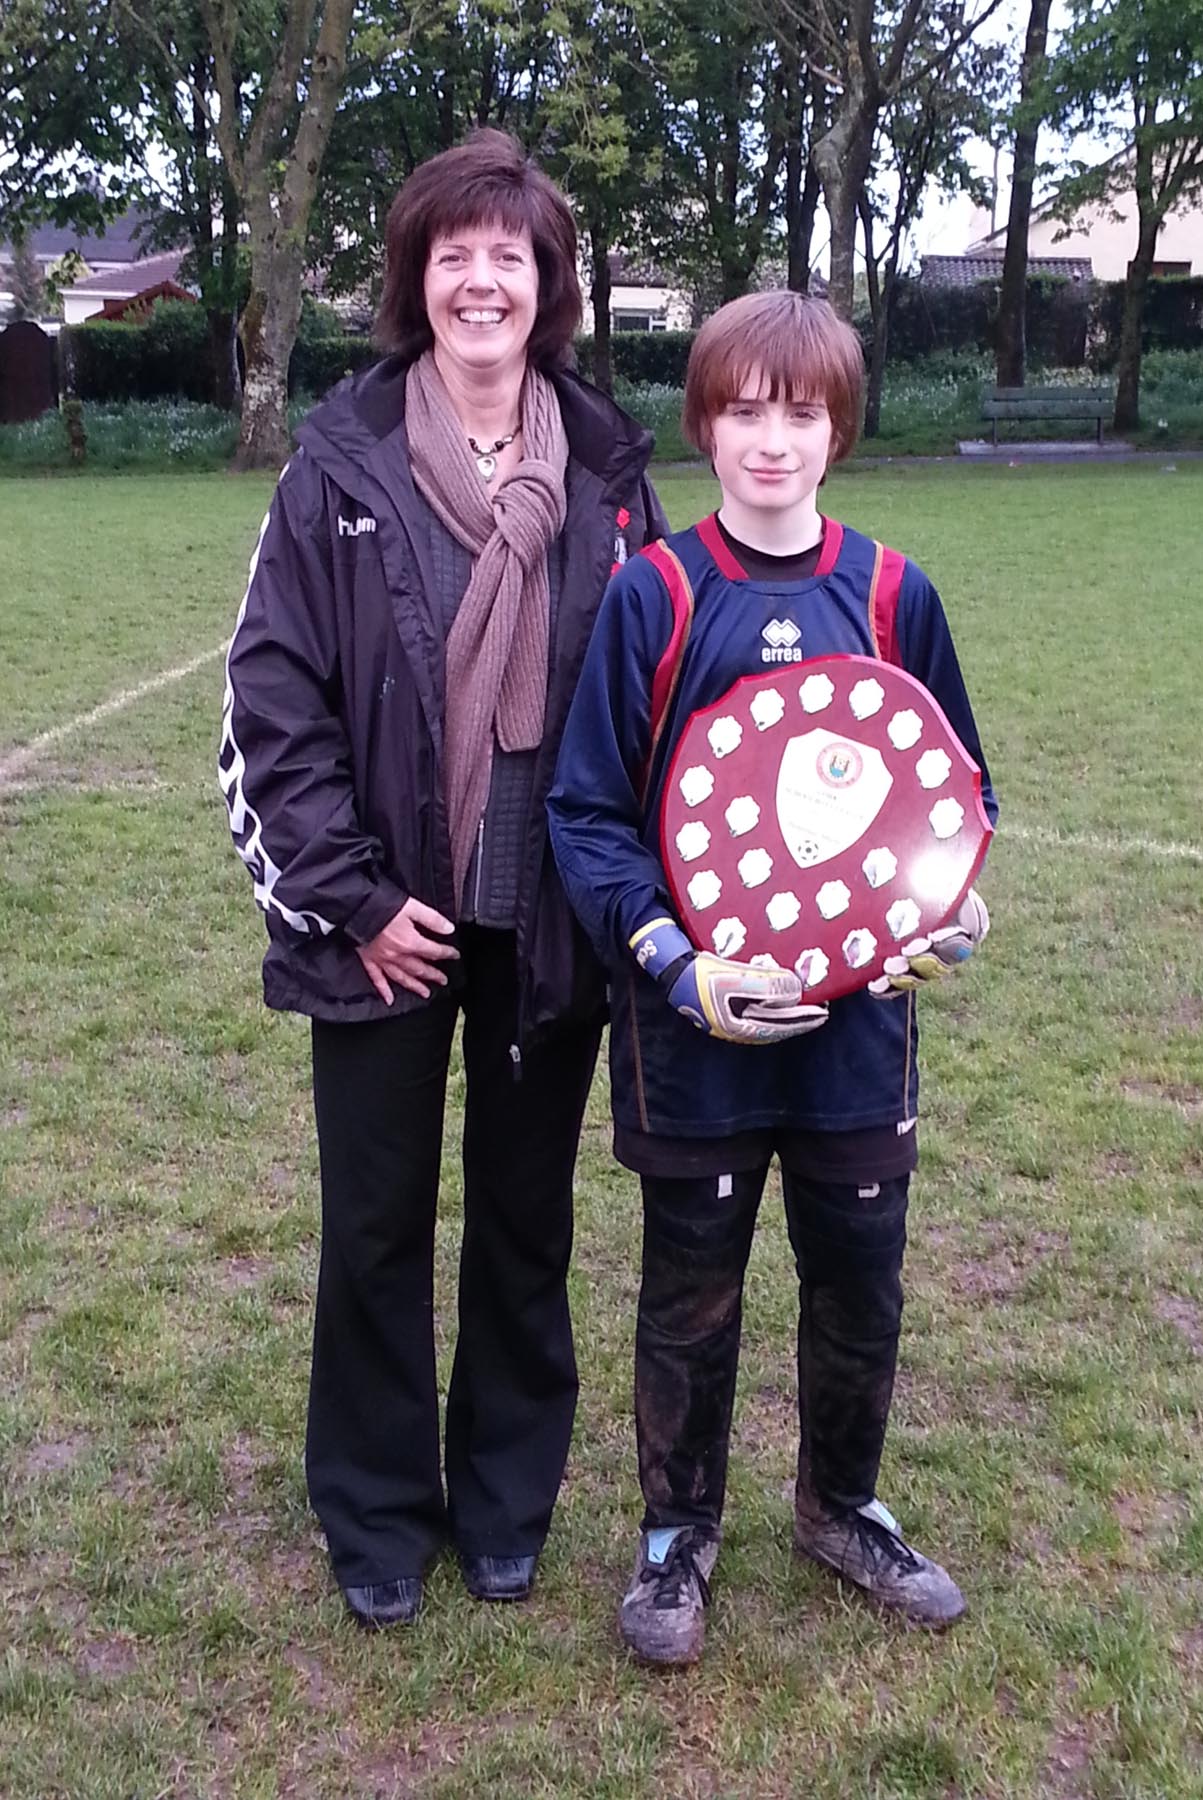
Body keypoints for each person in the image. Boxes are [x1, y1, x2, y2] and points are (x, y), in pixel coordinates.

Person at [219, 129, 665, 1630]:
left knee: (527, 1222)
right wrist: (352, 900)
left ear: (551, 286)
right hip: (387, 922)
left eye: (513, 256)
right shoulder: (338, 463)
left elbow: (655, 698)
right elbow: (271, 703)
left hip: (548, 918)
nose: (484, 280)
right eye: (455, 253)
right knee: (376, 1224)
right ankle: (375, 1510)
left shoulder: (606, 471)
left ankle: (503, 1500)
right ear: (418, 277)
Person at [547, 290, 998, 1665]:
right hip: (698, 1036)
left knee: (861, 1274)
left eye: (797, 410)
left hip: (859, 1034)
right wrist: (681, 967)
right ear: (705, 420)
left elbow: (953, 793)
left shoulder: (891, 593)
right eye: (742, 408)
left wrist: (953, 911)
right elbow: (586, 813)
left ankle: (842, 1505)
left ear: (837, 426)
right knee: (692, 1285)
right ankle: (675, 1539)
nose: (769, 438)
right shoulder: (657, 596)